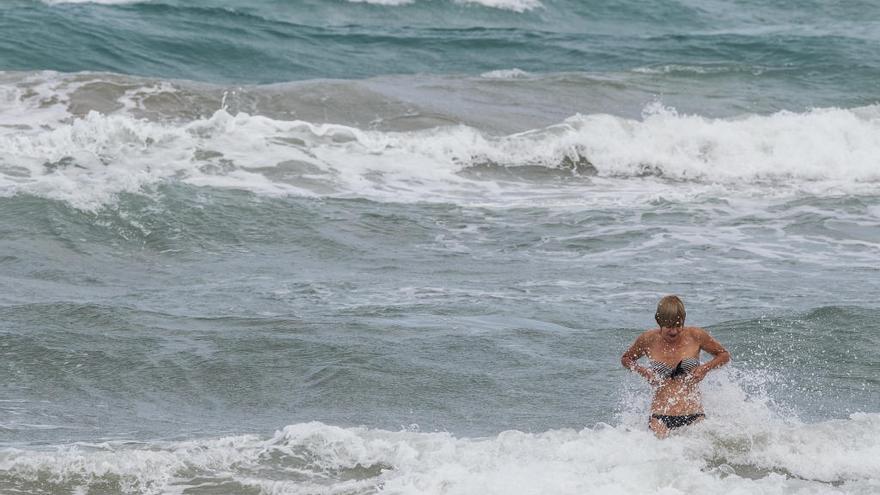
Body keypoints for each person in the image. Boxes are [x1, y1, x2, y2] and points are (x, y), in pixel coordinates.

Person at [620, 295, 730, 438]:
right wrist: (643, 371)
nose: (674, 331)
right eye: (669, 326)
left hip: (693, 413)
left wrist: (705, 369)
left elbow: (724, 355)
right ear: (659, 321)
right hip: (660, 416)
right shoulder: (648, 339)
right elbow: (626, 359)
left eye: (678, 325)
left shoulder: (696, 335)